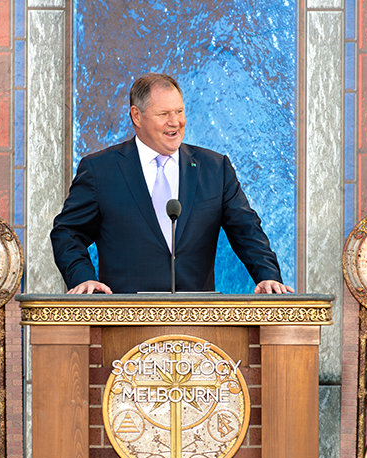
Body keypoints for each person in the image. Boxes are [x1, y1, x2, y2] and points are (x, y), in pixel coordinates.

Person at [51, 73, 294, 295]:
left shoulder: (214, 168)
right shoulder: (100, 170)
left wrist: (268, 277)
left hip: (198, 319)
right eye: (164, 114)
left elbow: (247, 230)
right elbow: (67, 233)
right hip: (125, 318)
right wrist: (84, 279)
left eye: (179, 111)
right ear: (137, 116)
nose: (175, 121)